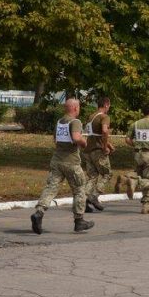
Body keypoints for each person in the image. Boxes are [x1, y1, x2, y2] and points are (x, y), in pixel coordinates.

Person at [27, 98, 94, 235]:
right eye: (79, 107)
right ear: (75, 108)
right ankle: (79, 220)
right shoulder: (75, 122)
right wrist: (84, 142)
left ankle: (39, 212)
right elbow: (76, 138)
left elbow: (55, 140)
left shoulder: (60, 122)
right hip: (71, 162)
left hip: (56, 161)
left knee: (51, 188)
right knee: (79, 189)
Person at [82, 97, 113, 211]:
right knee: (107, 174)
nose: (109, 108)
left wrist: (108, 144)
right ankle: (94, 196)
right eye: (109, 106)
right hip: (98, 151)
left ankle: (84, 200)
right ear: (105, 105)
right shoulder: (104, 117)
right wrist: (105, 147)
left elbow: (95, 134)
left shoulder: (91, 117)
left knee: (92, 176)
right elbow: (104, 131)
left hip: (87, 151)